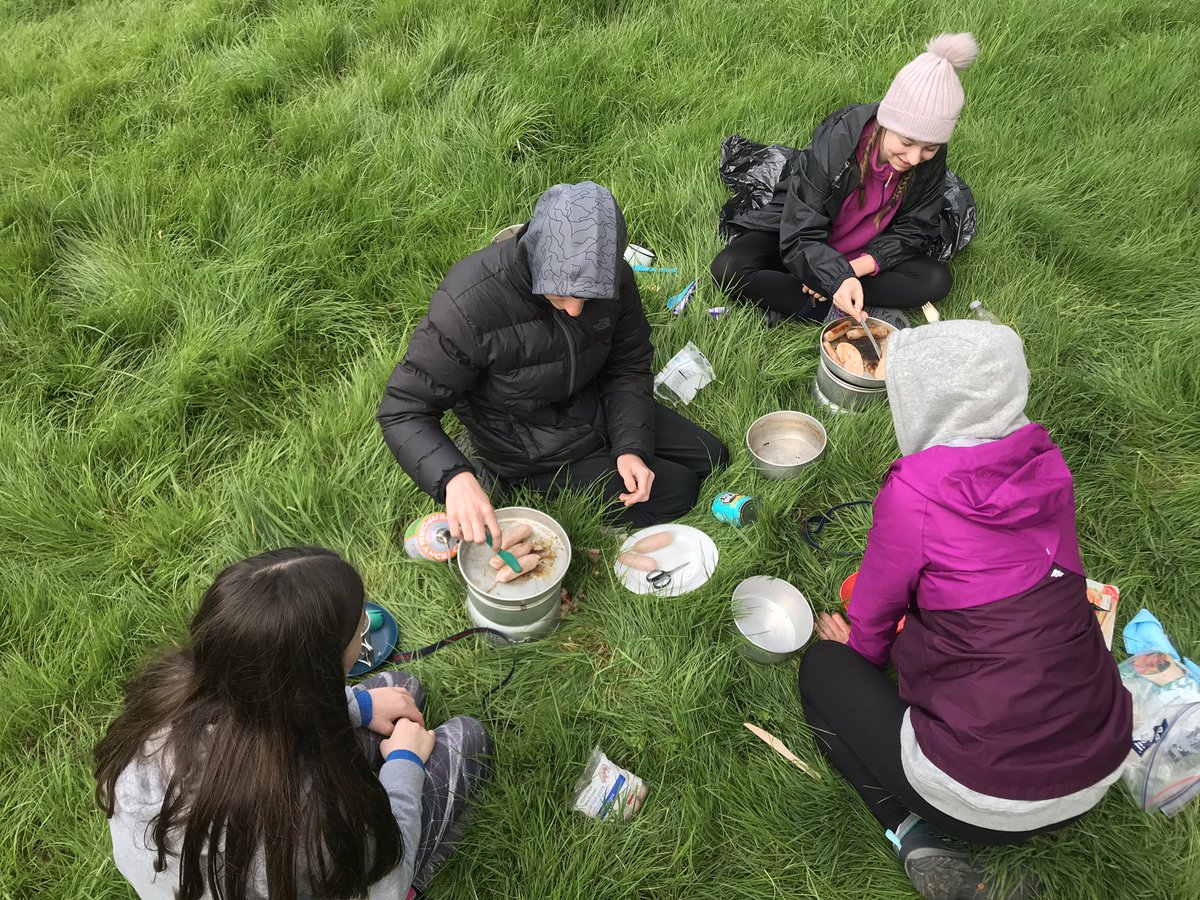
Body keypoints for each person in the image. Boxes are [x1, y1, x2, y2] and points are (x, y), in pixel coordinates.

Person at [797, 321, 1132, 900]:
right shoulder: (1048, 465)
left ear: (924, 399)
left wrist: (852, 656)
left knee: (821, 672)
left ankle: (916, 834)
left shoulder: (916, 492)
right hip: (1097, 770)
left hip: (979, 795)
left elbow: (874, 615)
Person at [94, 546, 492, 900]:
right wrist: (405, 762)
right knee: (466, 739)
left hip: (199, 876)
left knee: (402, 688)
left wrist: (359, 705)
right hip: (318, 867)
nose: (362, 632)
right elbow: (382, 881)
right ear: (317, 669)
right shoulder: (314, 816)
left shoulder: (163, 706)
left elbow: (256, 707)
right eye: (359, 630)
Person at [378, 181, 729, 544]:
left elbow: (627, 364)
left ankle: (612, 455)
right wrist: (453, 478)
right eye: (562, 292)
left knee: (713, 457)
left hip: (591, 402)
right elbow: (404, 409)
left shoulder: (614, 276)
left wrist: (630, 447)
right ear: (536, 258)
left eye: (590, 296)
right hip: (529, 442)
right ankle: (500, 478)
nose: (576, 309)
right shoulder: (468, 305)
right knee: (680, 491)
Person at [711, 33, 977, 324]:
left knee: (936, 280)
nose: (914, 159)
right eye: (908, 142)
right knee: (729, 268)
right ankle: (841, 307)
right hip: (802, 238)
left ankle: (817, 299)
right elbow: (801, 228)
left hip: (864, 250)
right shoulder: (839, 140)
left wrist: (850, 271)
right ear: (887, 123)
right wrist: (833, 276)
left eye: (929, 148)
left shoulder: (930, 158)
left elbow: (916, 228)